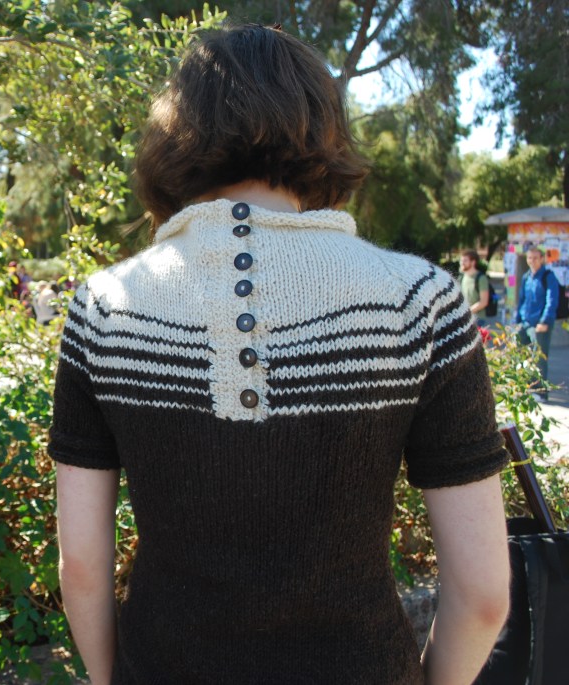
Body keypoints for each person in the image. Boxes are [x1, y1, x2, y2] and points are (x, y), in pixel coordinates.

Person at [50, 25, 509, 685]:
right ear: (322, 126)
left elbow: (83, 566)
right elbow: (485, 589)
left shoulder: (103, 308)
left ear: (176, 135)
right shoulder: (423, 303)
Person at [515, 247, 561, 398]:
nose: (532, 261)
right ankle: (526, 389)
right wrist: (517, 321)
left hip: (540, 325)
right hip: (525, 323)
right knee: (521, 357)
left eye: (535, 258)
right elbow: (521, 301)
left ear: (542, 259)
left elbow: (551, 301)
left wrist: (545, 321)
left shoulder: (548, 276)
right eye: (529, 258)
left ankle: (540, 393)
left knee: (539, 359)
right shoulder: (526, 276)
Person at [459, 249, 491, 324]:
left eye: (465, 261)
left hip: (477, 320)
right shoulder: (462, 277)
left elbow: (483, 302)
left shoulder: (481, 278)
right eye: (461, 260)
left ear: (473, 262)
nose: (462, 263)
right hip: (464, 319)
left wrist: (467, 312)